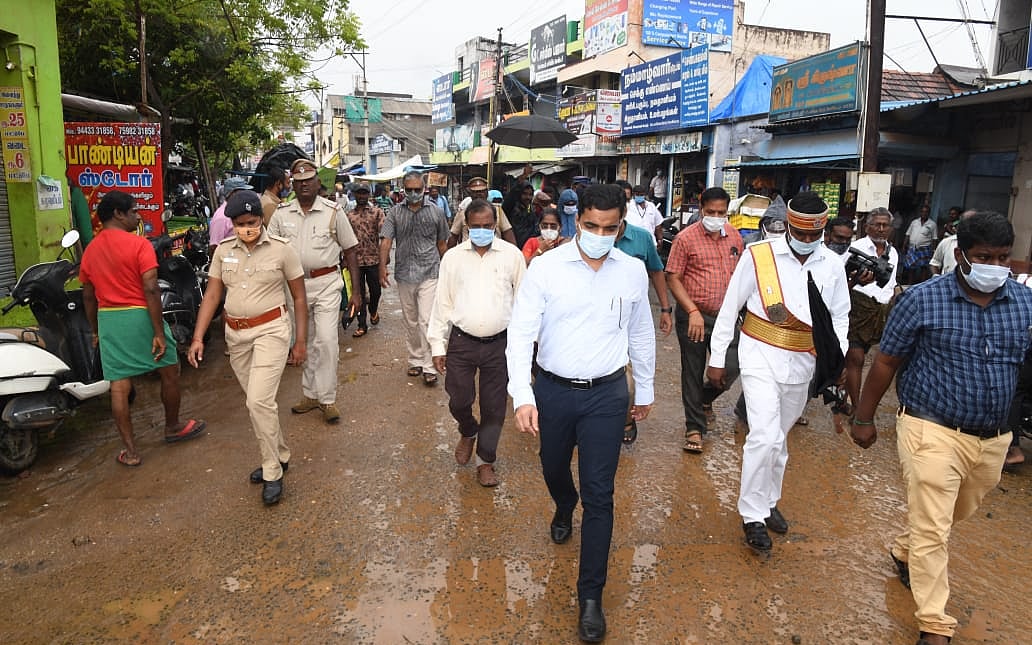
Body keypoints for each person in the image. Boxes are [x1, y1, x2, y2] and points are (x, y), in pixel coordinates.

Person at [850, 211, 1032, 645]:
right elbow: (887, 361)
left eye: (1003, 257)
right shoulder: (922, 300)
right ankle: (935, 624)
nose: (995, 265)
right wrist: (863, 417)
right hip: (930, 427)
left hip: (992, 439)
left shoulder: (1024, 303)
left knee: (954, 514)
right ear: (960, 255)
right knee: (934, 527)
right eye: (984, 256)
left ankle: (904, 548)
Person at [507, 183, 655, 643]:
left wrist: (644, 389)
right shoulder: (546, 268)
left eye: (609, 228)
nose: (598, 234)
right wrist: (522, 395)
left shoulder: (631, 271)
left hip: (606, 396)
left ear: (621, 227)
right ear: (577, 221)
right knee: (554, 469)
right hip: (552, 391)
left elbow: (641, 331)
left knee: (601, 494)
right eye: (590, 225)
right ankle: (562, 504)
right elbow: (520, 333)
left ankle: (590, 596)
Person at [707, 192, 850, 554]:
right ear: (787, 225)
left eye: (812, 235)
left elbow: (840, 318)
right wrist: (718, 356)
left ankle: (769, 500)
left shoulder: (832, 265)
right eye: (799, 233)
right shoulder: (759, 255)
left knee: (779, 438)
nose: (805, 241)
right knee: (764, 436)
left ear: (823, 230)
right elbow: (730, 307)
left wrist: (838, 360)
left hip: (804, 360)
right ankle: (752, 515)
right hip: (759, 354)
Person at [187, 190, 307, 505]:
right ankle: (279, 453)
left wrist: (301, 341)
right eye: (240, 224)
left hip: (271, 331)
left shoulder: (282, 250)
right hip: (236, 336)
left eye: (252, 222)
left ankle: (272, 471)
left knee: (257, 402)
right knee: (261, 404)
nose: (246, 228)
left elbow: (298, 297)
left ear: (261, 220)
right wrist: (198, 336)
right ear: (232, 224)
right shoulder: (224, 251)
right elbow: (212, 295)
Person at [79, 190, 206, 467]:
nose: (138, 216)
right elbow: (150, 288)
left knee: (119, 387)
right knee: (169, 370)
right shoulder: (139, 246)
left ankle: (131, 451)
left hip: (109, 320)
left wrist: (95, 330)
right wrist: (159, 333)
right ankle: (172, 427)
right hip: (140, 316)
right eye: (134, 211)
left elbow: (87, 295)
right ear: (118, 214)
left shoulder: (90, 250)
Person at [428, 199, 526, 487]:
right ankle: (468, 430)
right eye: (476, 227)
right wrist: (437, 345)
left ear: (495, 225)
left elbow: (524, 302)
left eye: (487, 226)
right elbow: (441, 303)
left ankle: (486, 461)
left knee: (495, 407)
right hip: (462, 341)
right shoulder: (453, 258)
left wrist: (525, 345)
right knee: (458, 399)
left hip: (500, 344)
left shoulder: (512, 256)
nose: (482, 231)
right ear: (466, 227)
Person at [268, 158, 362, 424]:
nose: (304, 185)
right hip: (294, 287)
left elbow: (350, 251)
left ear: (318, 182)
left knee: (327, 340)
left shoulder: (333, 211)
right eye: (298, 182)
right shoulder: (281, 214)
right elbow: (270, 251)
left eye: (308, 180)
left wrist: (356, 292)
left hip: (327, 284)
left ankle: (327, 399)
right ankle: (310, 394)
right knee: (304, 340)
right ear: (292, 185)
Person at [665, 187, 743, 454]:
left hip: (726, 317)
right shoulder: (685, 239)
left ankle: (704, 399)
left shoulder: (734, 236)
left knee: (732, 366)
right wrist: (692, 311)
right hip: (694, 316)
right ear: (701, 208)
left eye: (721, 212)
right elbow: (672, 277)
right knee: (692, 370)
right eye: (711, 212)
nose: (716, 216)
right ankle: (694, 427)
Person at [380, 170, 451, 386]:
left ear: (424, 189)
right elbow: (386, 241)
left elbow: (442, 244)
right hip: (404, 273)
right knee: (410, 320)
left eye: (417, 190)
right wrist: (381, 266)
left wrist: (448, 272)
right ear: (403, 190)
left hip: (430, 272)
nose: (413, 193)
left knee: (427, 320)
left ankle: (430, 367)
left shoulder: (437, 213)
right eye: (409, 190)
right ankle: (415, 359)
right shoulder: (394, 213)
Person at [615, 212, 673, 444]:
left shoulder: (641, 237)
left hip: (632, 314)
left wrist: (666, 309)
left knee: (628, 370)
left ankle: (626, 419)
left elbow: (656, 272)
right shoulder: (586, 240)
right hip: (601, 320)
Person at [840, 209, 898, 411]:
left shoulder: (893, 253)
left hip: (880, 311)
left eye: (885, 225)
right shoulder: (855, 248)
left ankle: (846, 397)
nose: (881, 229)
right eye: (877, 224)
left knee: (870, 357)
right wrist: (856, 280)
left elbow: (891, 284)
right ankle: (857, 407)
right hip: (857, 306)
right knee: (856, 358)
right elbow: (839, 279)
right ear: (867, 227)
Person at [346, 182, 386, 338]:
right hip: (355, 262)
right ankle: (362, 324)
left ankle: (373, 310)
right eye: (359, 193)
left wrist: (385, 255)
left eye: (364, 193)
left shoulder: (377, 213)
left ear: (368, 195)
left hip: (373, 259)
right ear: (354, 195)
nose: (361, 196)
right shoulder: (349, 215)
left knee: (376, 291)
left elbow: (384, 235)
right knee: (359, 293)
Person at [448, 177, 516, 247]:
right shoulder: (463, 213)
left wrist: (514, 253)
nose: (479, 194)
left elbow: (508, 233)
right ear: (470, 194)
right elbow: (453, 236)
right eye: (475, 192)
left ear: (487, 193)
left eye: (482, 191)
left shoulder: (497, 210)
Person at [209, 177, 253, 251]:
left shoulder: (239, 212)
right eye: (243, 192)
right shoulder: (222, 217)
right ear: (233, 193)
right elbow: (214, 246)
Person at [929, 208, 973, 275]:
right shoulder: (947, 241)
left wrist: (950, 229)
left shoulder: (981, 245)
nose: (951, 215)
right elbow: (934, 262)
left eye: (953, 214)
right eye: (950, 214)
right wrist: (936, 277)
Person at [902, 204, 936, 284]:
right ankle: (909, 285)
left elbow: (934, 238)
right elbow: (908, 234)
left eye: (926, 212)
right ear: (920, 213)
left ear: (929, 213)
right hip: (912, 248)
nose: (924, 213)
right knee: (911, 267)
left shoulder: (932, 224)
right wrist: (904, 246)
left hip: (924, 249)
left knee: (923, 268)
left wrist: (933, 251)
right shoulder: (914, 222)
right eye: (922, 212)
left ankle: (921, 285)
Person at [502, 180, 539, 248]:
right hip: (513, 248)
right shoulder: (511, 208)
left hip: (528, 248)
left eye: (530, 194)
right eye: (524, 194)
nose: (528, 197)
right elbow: (510, 197)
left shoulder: (531, 210)